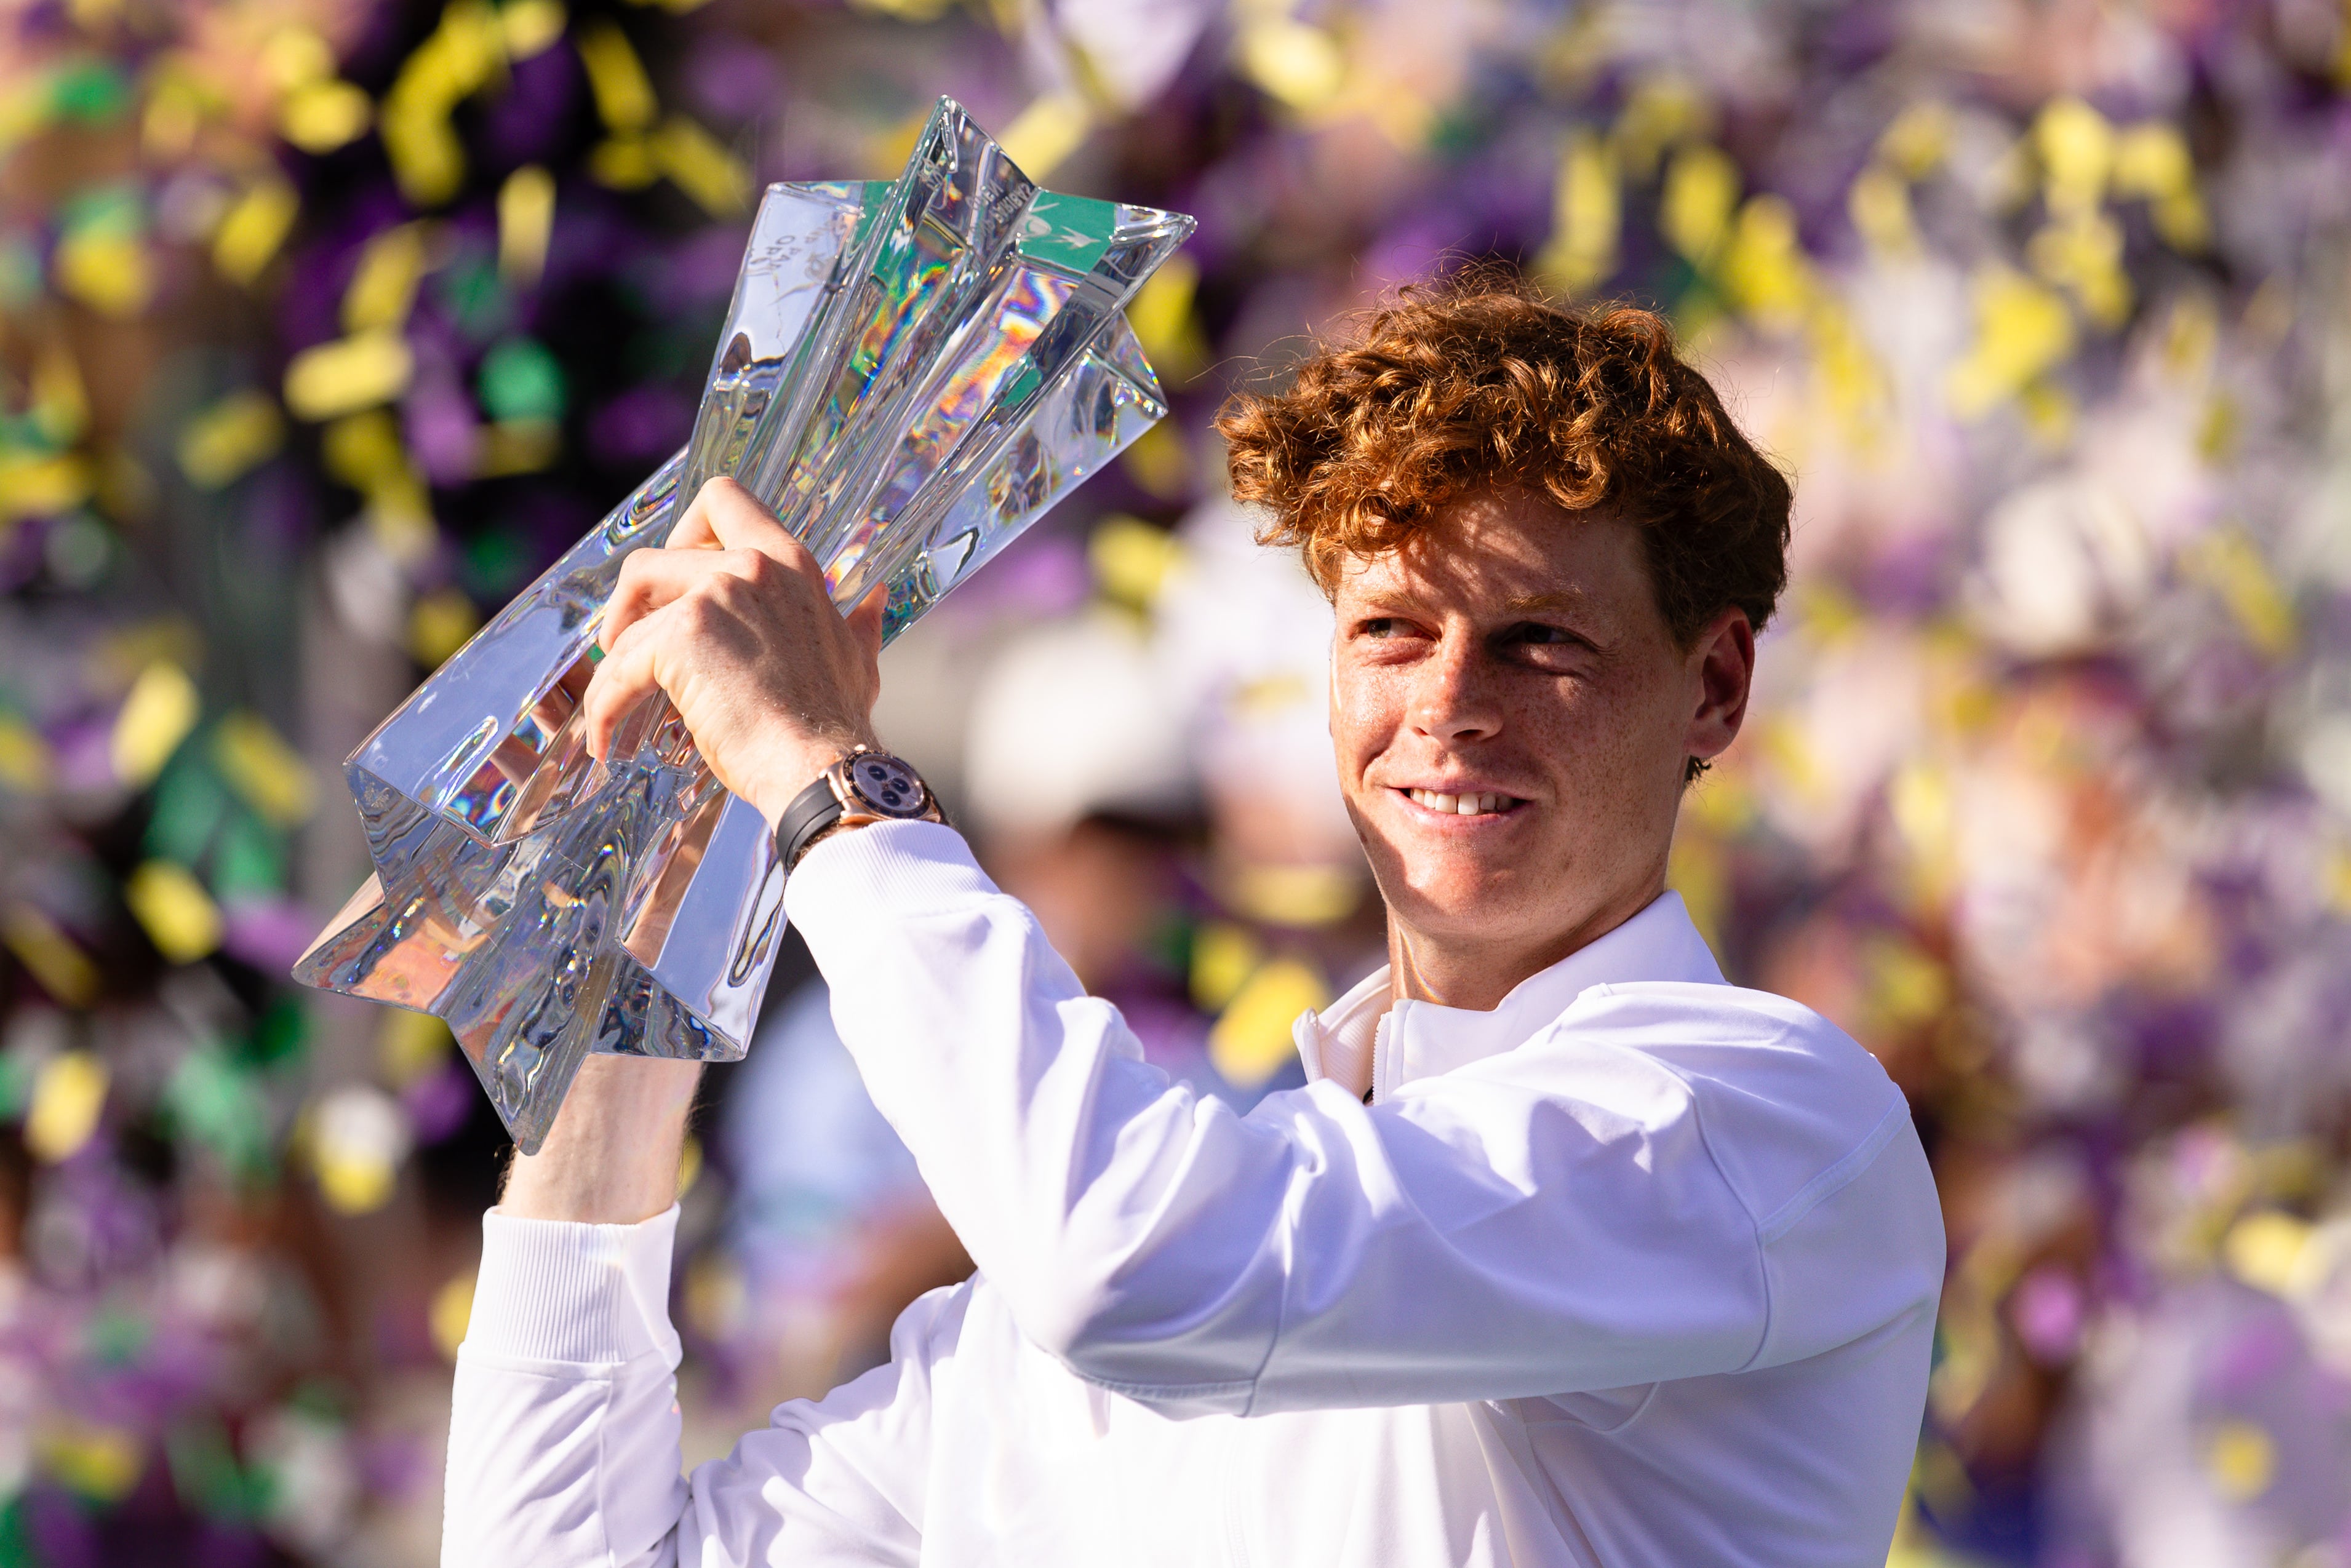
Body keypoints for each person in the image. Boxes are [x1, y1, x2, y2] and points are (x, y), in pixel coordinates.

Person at [440, 279, 1945, 1567]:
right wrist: (659, 891)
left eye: (1540, 641)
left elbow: (1127, 1263)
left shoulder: (1764, 1123)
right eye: (1392, 631)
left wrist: (822, 780)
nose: (1445, 710)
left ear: (1716, 688)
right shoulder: (1175, 1237)